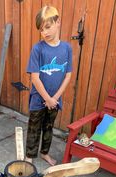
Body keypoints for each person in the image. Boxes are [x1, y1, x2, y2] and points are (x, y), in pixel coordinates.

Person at [25, 5, 72, 166]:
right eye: (41, 29)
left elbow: (68, 75)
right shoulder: (38, 49)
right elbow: (35, 78)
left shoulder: (67, 48)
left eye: (48, 27)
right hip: (39, 99)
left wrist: (55, 98)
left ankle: (44, 153)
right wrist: (47, 98)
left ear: (57, 22)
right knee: (34, 127)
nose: (44, 32)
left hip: (55, 100)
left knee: (49, 127)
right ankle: (29, 157)